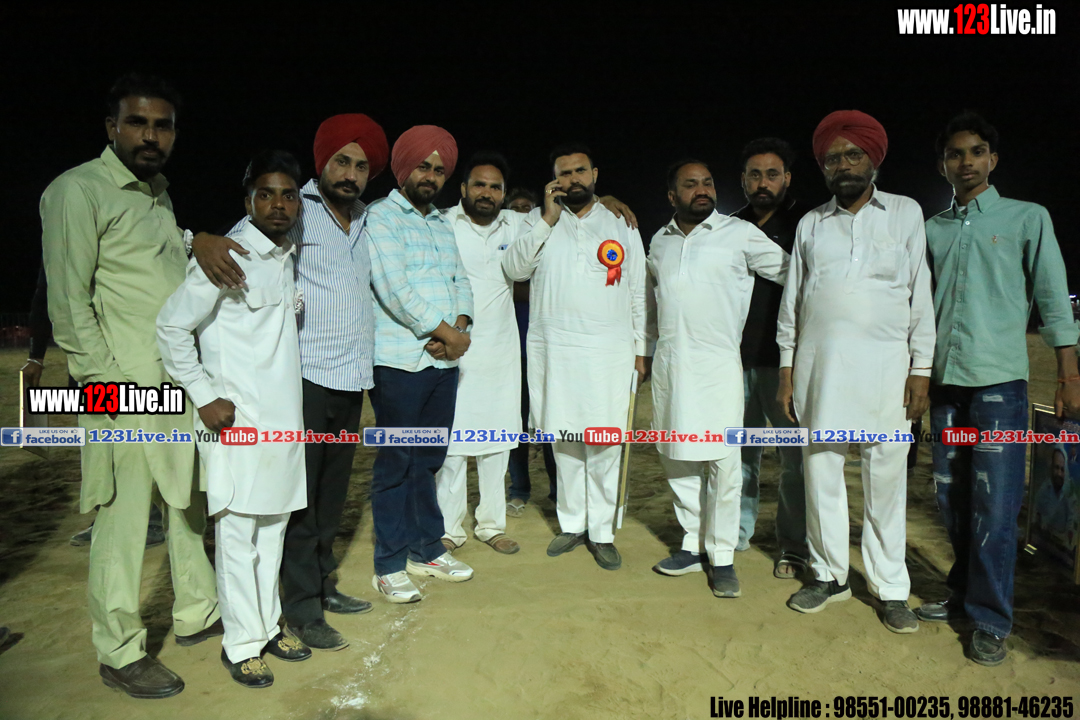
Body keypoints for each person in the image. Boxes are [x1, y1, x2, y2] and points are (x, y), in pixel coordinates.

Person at [41, 73, 220, 699]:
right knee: (121, 520)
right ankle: (118, 650)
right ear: (111, 127)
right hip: (120, 392)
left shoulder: (158, 196)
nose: (151, 136)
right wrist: (109, 389)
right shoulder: (76, 190)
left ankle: (198, 612)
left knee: (185, 502)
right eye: (138, 123)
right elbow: (69, 305)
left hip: (174, 385)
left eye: (162, 126)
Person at [193, 114, 389, 651]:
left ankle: (322, 586)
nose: (350, 174)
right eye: (341, 162)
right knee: (299, 501)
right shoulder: (297, 208)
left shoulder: (366, 218)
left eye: (361, 166)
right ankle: (301, 610)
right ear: (323, 163)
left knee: (331, 497)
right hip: (304, 378)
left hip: (351, 377)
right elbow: (240, 238)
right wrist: (198, 239)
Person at [919, 112, 1080, 665]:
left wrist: (1068, 375)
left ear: (992, 159)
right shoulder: (932, 229)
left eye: (975, 152)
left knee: (996, 501)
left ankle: (991, 618)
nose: (965, 162)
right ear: (942, 164)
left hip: (999, 385)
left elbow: (1053, 297)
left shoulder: (1027, 218)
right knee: (951, 496)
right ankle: (963, 592)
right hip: (946, 385)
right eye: (954, 153)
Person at [776, 110, 935, 634]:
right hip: (819, 371)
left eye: (853, 155)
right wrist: (786, 369)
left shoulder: (905, 213)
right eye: (831, 159)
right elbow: (793, 302)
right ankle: (828, 575)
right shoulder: (810, 224)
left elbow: (920, 295)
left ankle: (890, 588)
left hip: (888, 373)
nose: (842, 165)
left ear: (873, 159)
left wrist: (921, 369)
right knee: (821, 474)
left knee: (885, 481)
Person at [158, 150, 312, 688]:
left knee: (272, 531)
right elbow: (171, 327)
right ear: (248, 202)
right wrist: (204, 396)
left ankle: (268, 627)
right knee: (238, 533)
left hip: (283, 424)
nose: (278, 205)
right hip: (237, 423)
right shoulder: (229, 255)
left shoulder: (286, 254)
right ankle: (241, 644)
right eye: (266, 194)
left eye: (288, 195)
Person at [502, 143, 646, 571]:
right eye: (564, 173)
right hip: (556, 352)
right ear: (554, 179)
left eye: (580, 171)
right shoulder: (536, 220)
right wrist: (547, 219)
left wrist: (641, 350)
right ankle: (572, 524)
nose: (573, 179)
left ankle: (601, 532)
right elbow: (514, 269)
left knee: (604, 445)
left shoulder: (620, 222)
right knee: (564, 442)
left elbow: (638, 289)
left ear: (595, 174)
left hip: (609, 354)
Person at [647, 160, 787, 597]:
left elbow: (791, 272)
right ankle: (692, 544)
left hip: (720, 366)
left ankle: (722, 554)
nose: (702, 189)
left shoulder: (738, 233)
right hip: (670, 365)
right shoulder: (660, 240)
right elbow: (650, 303)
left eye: (707, 182)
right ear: (672, 196)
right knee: (677, 456)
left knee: (724, 463)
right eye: (690, 184)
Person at [365, 125, 476, 603]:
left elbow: (461, 281)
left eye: (439, 169)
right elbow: (393, 289)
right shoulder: (381, 217)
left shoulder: (440, 223)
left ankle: (425, 549)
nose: (431, 176)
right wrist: (446, 333)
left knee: (428, 458)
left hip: (442, 364)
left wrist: (460, 326)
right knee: (397, 461)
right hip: (398, 363)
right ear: (404, 168)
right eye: (423, 166)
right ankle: (389, 564)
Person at [24, 266, 166, 548]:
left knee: (134, 439)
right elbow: (46, 297)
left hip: (129, 352)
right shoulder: (62, 247)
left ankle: (149, 519)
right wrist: (35, 357)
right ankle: (108, 517)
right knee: (97, 445)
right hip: (88, 361)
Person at [434, 153, 526, 555]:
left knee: (497, 442)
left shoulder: (517, 224)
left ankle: (491, 525)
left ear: (504, 193)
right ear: (463, 189)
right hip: (454, 349)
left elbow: (564, 215)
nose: (486, 193)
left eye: (495, 187)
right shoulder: (441, 223)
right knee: (453, 446)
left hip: (501, 352)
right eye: (479, 185)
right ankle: (449, 528)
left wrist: (606, 199)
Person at [730, 138, 810, 578]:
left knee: (794, 462)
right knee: (739, 456)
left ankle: (792, 547)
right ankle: (736, 534)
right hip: (735, 364)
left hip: (787, 368)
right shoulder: (727, 226)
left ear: (788, 179)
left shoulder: (808, 224)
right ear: (743, 180)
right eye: (755, 175)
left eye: (772, 174)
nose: (763, 183)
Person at [504, 187, 559, 517]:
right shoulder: (508, 243)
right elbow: (512, 281)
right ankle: (519, 489)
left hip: (547, 350)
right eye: (516, 208)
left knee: (551, 423)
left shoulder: (547, 237)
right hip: (514, 352)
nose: (522, 213)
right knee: (516, 425)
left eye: (528, 208)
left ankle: (557, 489)